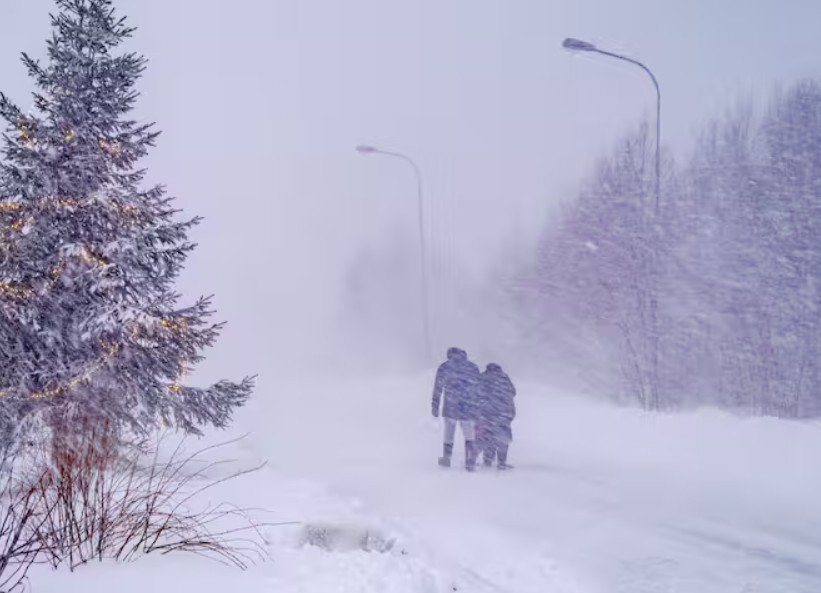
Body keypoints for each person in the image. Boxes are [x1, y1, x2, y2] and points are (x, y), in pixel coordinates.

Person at [431, 347, 481, 471]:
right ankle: (470, 460)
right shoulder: (472, 367)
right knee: (469, 435)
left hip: (451, 406)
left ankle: (447, 458)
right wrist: (479, 405)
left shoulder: (445, 367)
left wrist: (435, 405)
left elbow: (438, 388)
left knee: (449, 433)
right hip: (468, 406)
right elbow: (480, 388)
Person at [477, 362, 516, 470]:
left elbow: (476, 394)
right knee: (502, 438)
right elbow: (513, 392)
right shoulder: (504, 377)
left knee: (488, 436)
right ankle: (502, 462)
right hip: (504, 412)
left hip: (487, 413)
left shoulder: (482, 377)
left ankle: (488, 460)